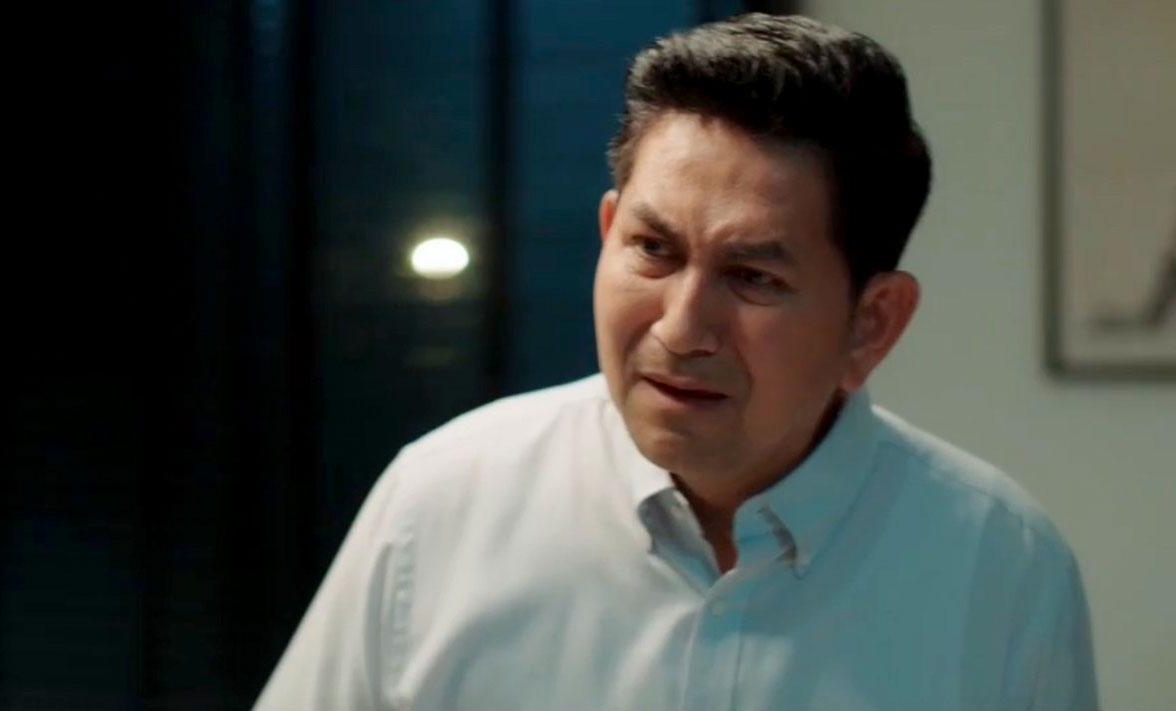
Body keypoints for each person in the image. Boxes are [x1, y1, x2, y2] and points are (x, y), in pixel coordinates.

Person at [254, 13, 1098, 710]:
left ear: (871, 325)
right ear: (607, 231)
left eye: (754, 277)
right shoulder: (439, 505)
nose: (683, 327)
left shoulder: (1001, 567)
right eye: (653, 250)